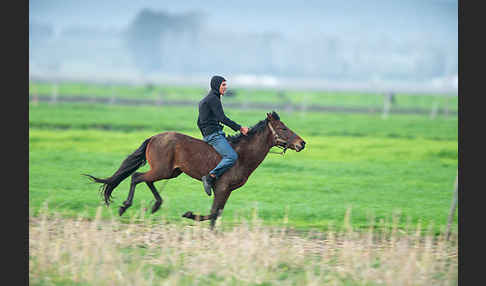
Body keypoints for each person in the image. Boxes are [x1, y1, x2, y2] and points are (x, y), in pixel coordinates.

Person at [197, 75, 249, 196]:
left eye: (226, 85)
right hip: (214, 135)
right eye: (223, 85)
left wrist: (205, 134)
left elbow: (199, 122)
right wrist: (240, 128)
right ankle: (210, 177)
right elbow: (222, 118)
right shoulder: (213, 99)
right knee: (232, 156)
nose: (225, 87)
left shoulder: (209, 98)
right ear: (216, 85)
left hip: (213, 133)